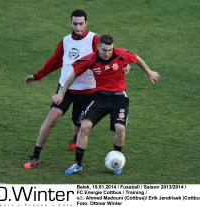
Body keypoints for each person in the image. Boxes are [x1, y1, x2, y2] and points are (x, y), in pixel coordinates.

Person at [52, 33, 160, 175]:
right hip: (100, 98)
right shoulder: (90, 60)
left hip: (119, 98)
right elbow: (73, 74)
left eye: (110, 50)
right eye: (104, 50)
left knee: (120, 128)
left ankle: (117, 161)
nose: (108, 53)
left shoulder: (121, 54)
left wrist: (149, 72)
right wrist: (61, 93)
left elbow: (136, 58)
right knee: (84, 126)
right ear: (98, 47)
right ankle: (77, 165)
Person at [23, 9, 100, 169]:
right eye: (75, 23)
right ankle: (35, 156)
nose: (78, 27)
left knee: (78, 124)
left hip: (87, 91)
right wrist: (37, 75)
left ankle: (74, 137)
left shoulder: (94, 40)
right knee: (52, 118)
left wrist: (123, 66)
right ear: (70, 23)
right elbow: (55, 61)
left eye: (81, 24)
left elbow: (109, 55)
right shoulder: (65, 41)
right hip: (65, 88)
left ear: (86, 23)